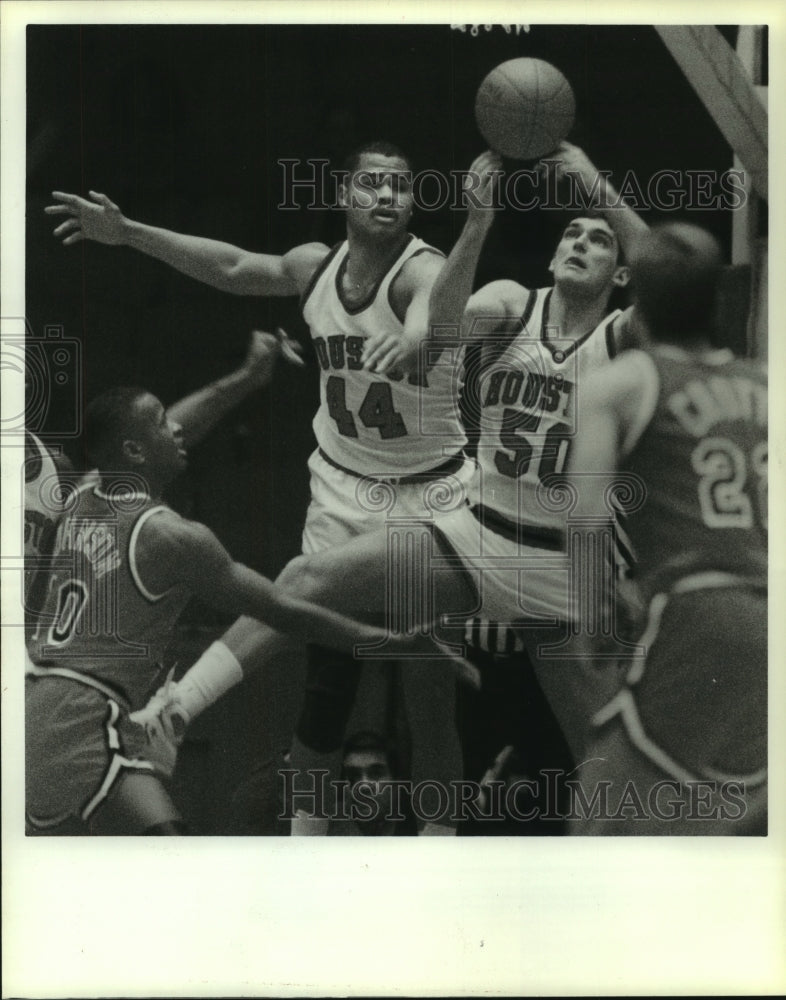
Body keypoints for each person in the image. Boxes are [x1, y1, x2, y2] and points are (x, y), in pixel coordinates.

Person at [134, 143, 650, 819]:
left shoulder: (624, 334)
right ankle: (173, 713)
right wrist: (478, 223)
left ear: (620, 275)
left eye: (600, 241)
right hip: (476, 533)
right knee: (305, 583)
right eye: (572, 234)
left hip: (565, 565)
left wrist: (594, 187)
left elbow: (674, 278)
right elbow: (438, 331)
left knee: (607, 754)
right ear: (552, 258)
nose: (582, 242)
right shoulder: (511, 302)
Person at [47, 140, 473, 835]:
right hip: (344, 483)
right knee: (324, 683)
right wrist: (128, 234)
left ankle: (444, 838)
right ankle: (294, 831)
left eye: (401, 186)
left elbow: (434, 307)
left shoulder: (419, 268)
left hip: (433, 490)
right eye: (372, 184)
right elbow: (235, 266)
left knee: (429, 690)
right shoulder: (315, 267)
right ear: (344, 195)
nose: (388, 196)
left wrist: (417, 337)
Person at [25, 378, 443, 836]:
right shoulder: (171, 538)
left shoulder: (84, 494)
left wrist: (247, 375)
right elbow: (283, 610)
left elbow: (159, 429)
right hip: (79, 713)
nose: (179, 429)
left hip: (40, 702)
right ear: (135, 452)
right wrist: (384, 642)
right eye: (163, 423)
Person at [562, 222, 767, 834]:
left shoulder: (622, 382)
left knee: (603, 818)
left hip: (700, 613)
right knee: (719, 820)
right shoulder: (768, 386)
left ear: (637, 302)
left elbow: (585, 519)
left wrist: (592, 625)